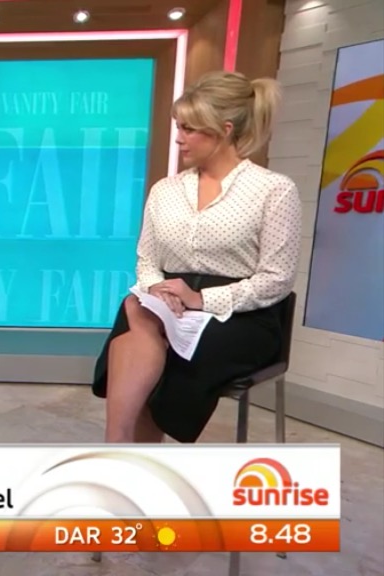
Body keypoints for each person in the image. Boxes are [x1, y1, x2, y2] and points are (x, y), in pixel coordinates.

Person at [92, 71, 302, 444]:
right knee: (136, 311)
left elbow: (277, 279)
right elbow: (146, 260)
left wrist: (201, 299)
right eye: (179, 126)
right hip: (166, 303)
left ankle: (124, 455)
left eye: (189, 129)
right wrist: (158, 290)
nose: (179, 138)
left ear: (223, 130)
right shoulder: (165, 190)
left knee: (162, 361)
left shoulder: (273, 190)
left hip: (240, 316)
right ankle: (117, 444)